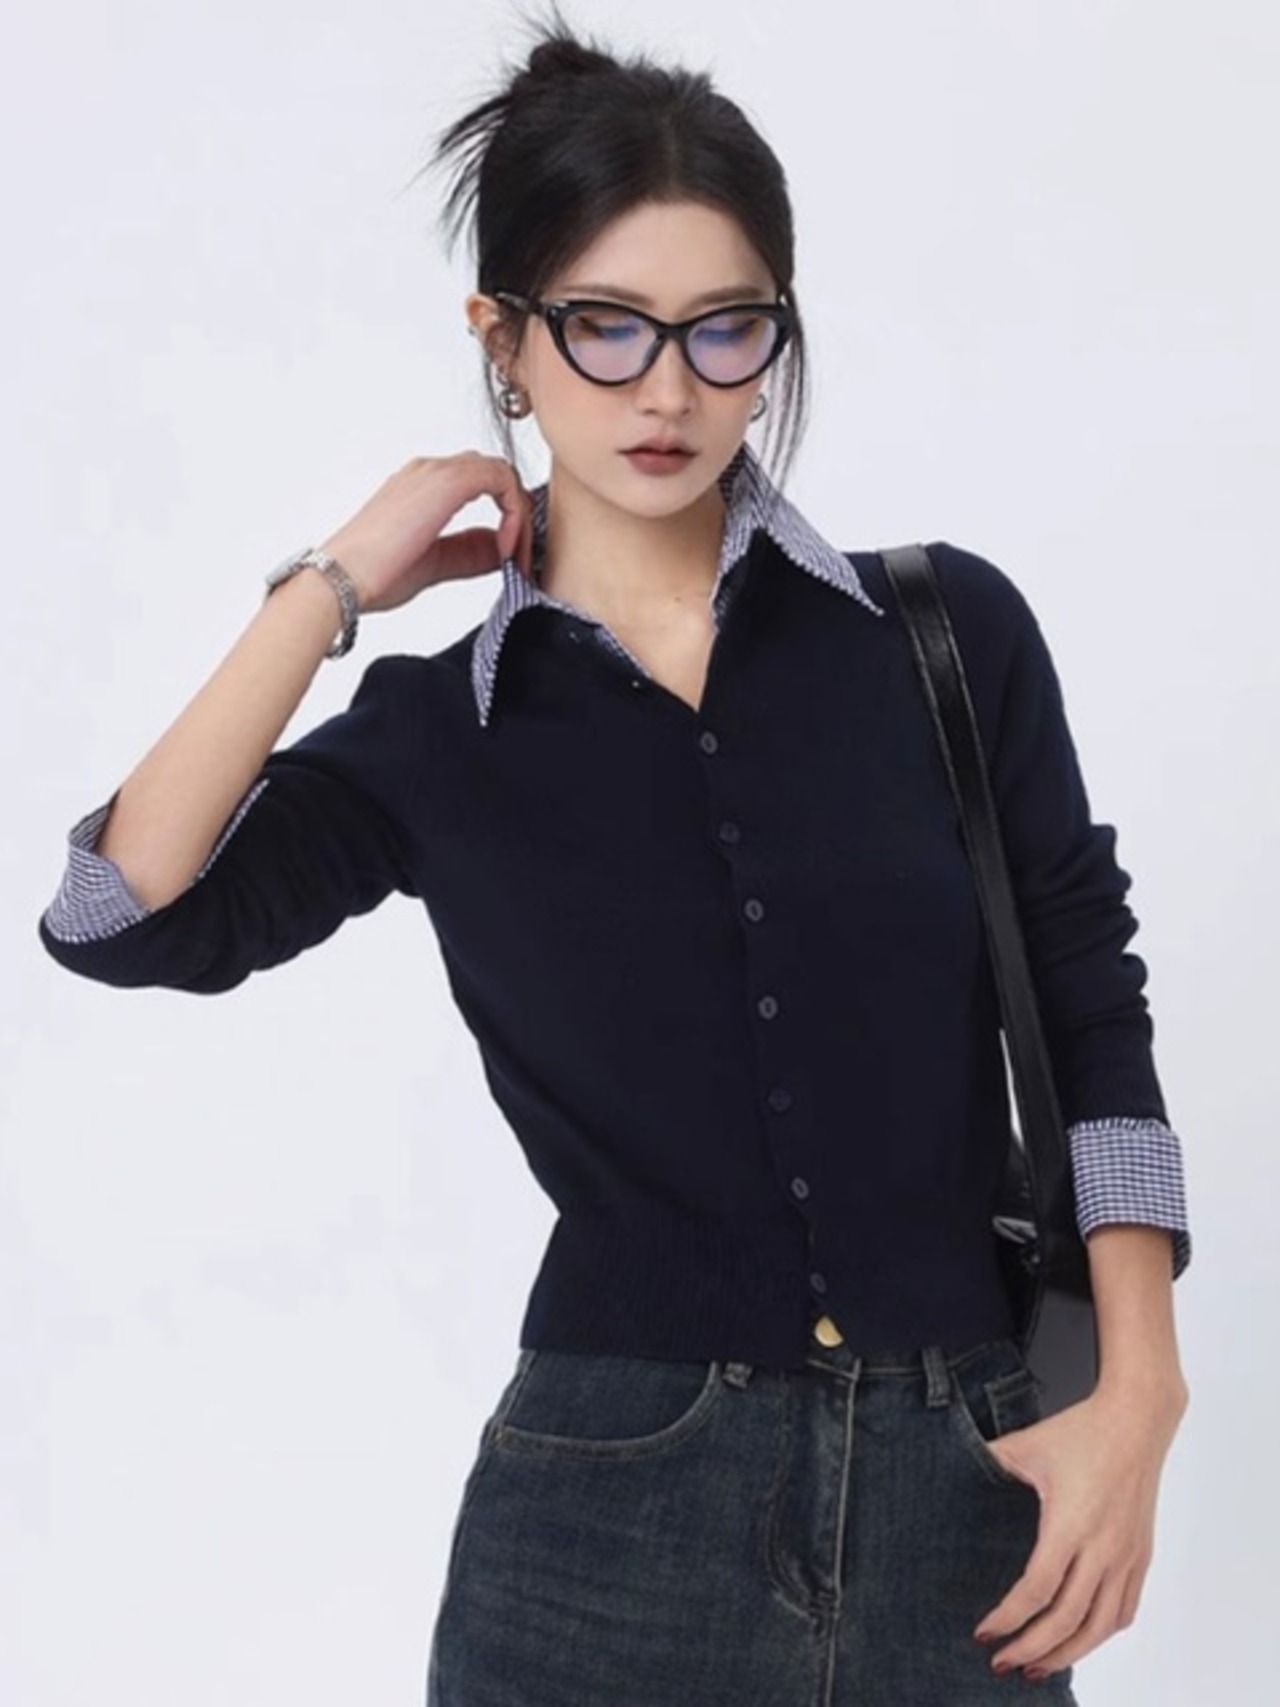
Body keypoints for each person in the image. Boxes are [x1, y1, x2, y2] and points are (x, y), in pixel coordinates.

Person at [37, 9, 1192, 1704]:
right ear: (503, 340)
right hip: (609, 1511)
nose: (669, 389)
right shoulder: (441, 733)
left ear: (779, 334)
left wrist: (1141, 1392)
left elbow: (1092, 1010)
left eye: (726, 329)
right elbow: (114, 914)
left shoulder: (943, 636)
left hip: (971, 1486)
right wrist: (331, 588)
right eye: (605, 327)